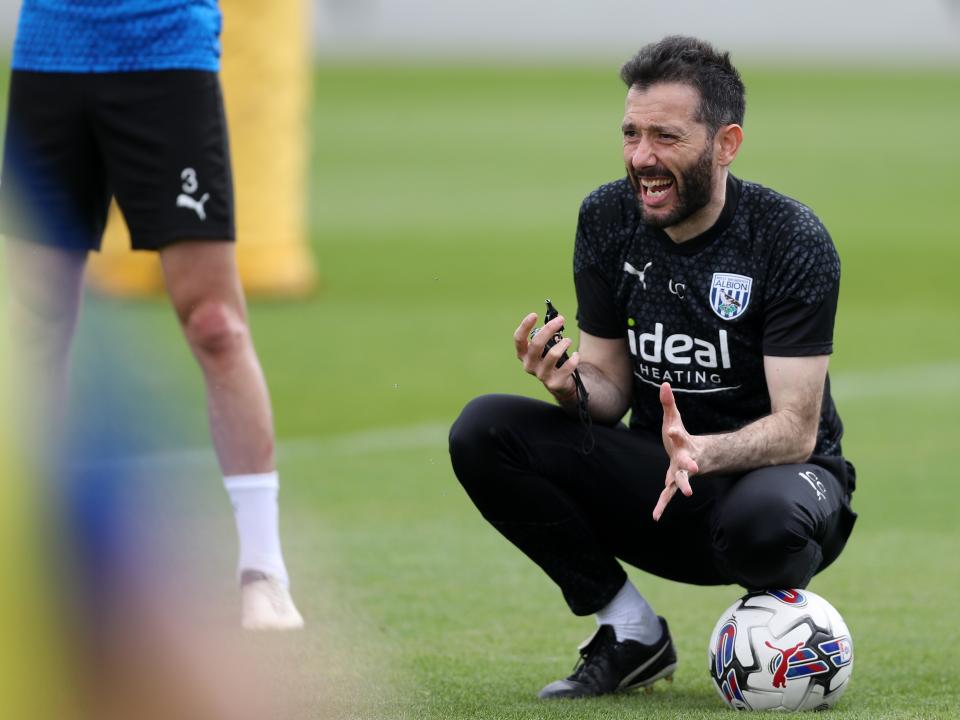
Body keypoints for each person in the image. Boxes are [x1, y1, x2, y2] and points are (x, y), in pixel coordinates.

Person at [449, 35, 857, 699]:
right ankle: (630, 632)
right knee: (485, 430)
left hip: (782, 489)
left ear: (726, 144)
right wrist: (571, 386)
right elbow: (608, 390)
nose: (642, 158)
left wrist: (699, 449)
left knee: (767, 524)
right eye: (631, 134)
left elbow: (795, 430)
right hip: (664, 484)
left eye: (665, 137)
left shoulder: (788, 238)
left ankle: (774, 636)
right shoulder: (607, 218)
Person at [0, 0, 303, 630]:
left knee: (214, 324)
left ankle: (263, 570)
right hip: (47, 58)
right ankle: (39, 564)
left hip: (166, 56)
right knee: (34, 324)